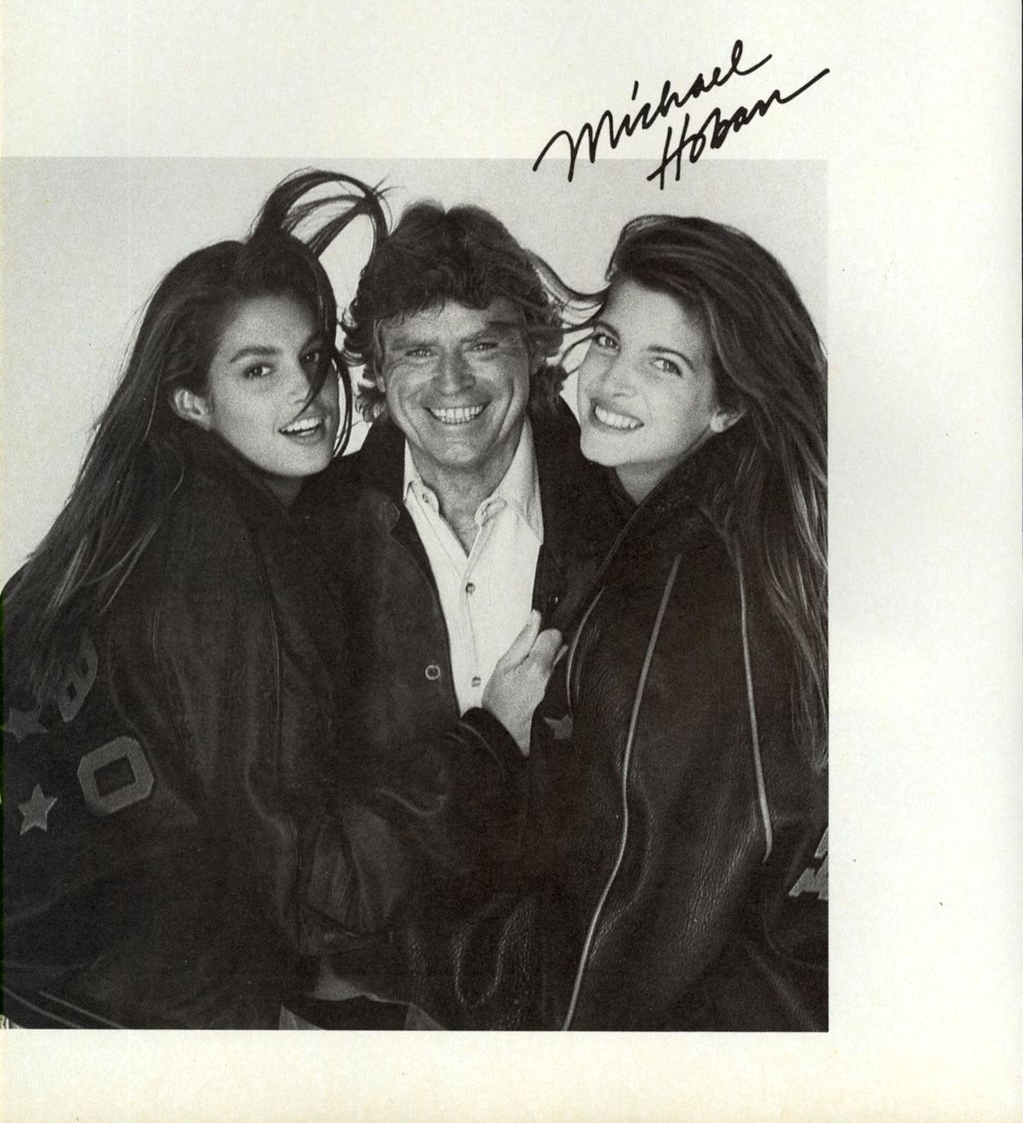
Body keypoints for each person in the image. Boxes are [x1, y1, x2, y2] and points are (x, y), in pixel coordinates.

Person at [1, 170, 557, 1029]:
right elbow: (314, 894)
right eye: (257, 370)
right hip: (154, 1033)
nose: (305, 391)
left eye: (311, 359)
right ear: (192, 400)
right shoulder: (220, 563)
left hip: (59, 998)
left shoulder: (134, 522)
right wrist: (489, 740)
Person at [378, 212, 829, 1030]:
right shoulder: (699, 534)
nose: (612, 383)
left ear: (728, 406)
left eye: (664, 364)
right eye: (611, 343)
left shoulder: (691, 590)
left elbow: (603, 963)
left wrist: (385, 949)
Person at [306, 200, 619, 811]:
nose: (452, 382)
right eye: (418, 352)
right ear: (379, 369)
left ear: (533, 350)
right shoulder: (315, 531)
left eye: (482, 345)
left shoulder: (621, 518)